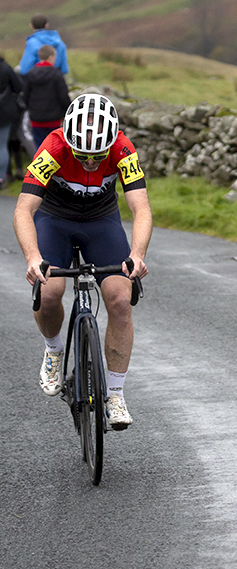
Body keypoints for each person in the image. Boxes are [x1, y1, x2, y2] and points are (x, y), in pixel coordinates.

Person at [13, 93, 152, 429]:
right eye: (83, 156)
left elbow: (141, 208)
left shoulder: (121, 148)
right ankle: (54, 349)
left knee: (120, 300)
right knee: (48, 293)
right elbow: (23, 209)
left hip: (101, 221)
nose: (90, 163)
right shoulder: (54, 146)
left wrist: (137, 255)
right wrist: (33, 258)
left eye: (97, 157)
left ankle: (115, 395)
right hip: (54, 219)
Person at [23, 44, 72, 150]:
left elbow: (25, 96)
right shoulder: (57, 74)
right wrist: (67, 112)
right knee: (54, 147)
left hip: (36, 118)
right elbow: (63, 96)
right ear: (50, 57)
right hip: (53, 118)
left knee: (39, 147)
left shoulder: (30, 73)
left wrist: (30, 109)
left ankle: (38, 165)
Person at [0, 54, 24, 189]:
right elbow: (19, 86)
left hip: (6, 113)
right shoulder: (5, 68)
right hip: (6, 112)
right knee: (4, 145)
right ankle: (3, 177)